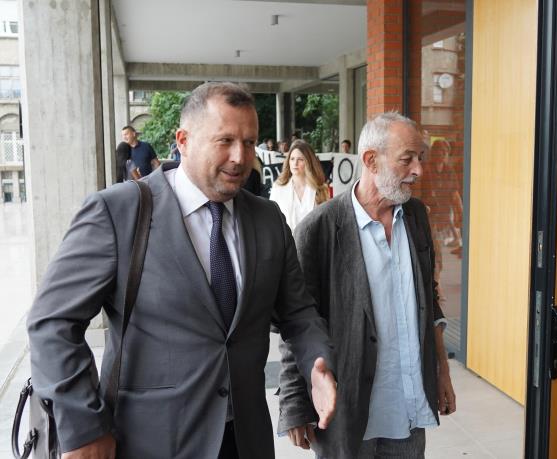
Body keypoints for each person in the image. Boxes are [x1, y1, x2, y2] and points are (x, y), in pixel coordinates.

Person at [27, 82, 337, 459]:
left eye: (249, 142)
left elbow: (298, 313)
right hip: (148, 443)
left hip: (245, 440)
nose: (240, 157)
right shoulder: (119, 212)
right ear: (183, 140)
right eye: (224, 141)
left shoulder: (268, 219)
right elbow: (52, 322)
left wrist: (317, 363)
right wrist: (84, 427)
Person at [278, 112, 456, 458]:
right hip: (347, 414)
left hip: (407, 410)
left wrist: (442, 371)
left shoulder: (417, 217)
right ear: (371, 160)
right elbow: (295, 321)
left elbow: (429, 299)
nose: (418, 170)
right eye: (407, 159)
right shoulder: (318, 229)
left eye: (420, 158)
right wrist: (295, 404)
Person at [269, 139, 329, 230]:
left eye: (300, 159)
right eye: (292, 159)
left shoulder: (320, 189)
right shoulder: (278, 188)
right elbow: (271, 221)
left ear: (309, 162)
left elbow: (326, 223)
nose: (295, 163)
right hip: (285, 239)